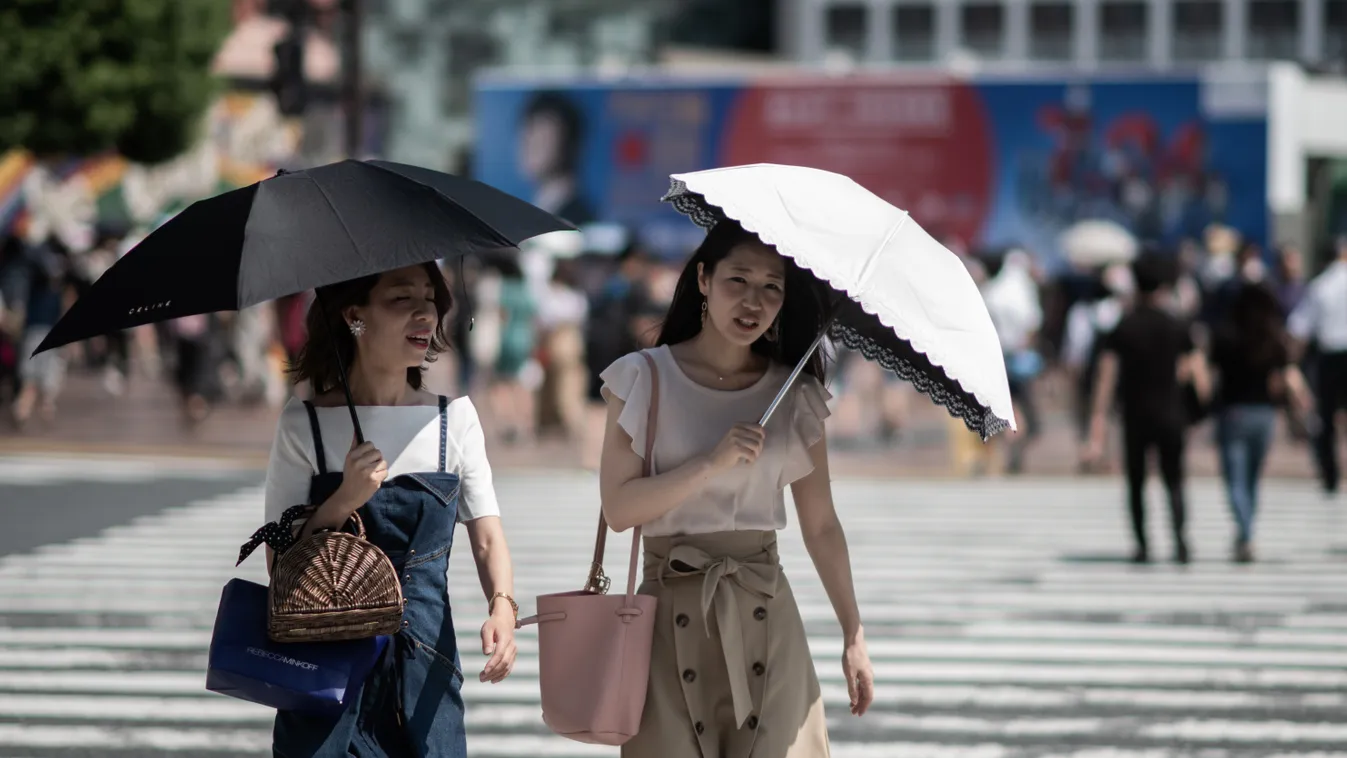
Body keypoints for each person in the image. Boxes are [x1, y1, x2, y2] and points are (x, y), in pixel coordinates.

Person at [598, 220, 874, 758]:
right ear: (703, 279)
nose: (754, 301)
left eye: (772, 287)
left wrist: (853, 634)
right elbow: (619, 508)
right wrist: (709, 463)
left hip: (767, 615)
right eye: (738, 281)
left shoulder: (795, 393)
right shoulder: (643, 378)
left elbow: (821, 524)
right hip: (666, 620)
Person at [260, 263, 517, 757]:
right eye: (402, 300)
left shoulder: (453, 420)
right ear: (355, 316)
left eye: (429, 298)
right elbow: (280, 563)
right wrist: (344, 499)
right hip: (324, 669)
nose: (425, 313)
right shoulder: (304, 424)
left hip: (426, 666)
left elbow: (487, 538)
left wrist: (502, 608)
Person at [1086, 252, 1210, 564]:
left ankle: (1142, 545)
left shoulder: (1123, 326)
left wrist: (1098, 421)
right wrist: (1201, 408)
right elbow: (1199, 374)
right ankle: (1181, 541)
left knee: (1136, 482)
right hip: (1171, 413)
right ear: (1165, 286)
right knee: (1175, 479)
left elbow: (1106, 376)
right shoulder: (1178, 326)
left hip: (1135, 415)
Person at [1208, 282, 1314, 563]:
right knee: (1252, 479)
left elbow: (1211, 375)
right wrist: (1303, 400)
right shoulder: (1273, 338)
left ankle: (1245, 531)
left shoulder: (1226, 336)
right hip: (1265, 415)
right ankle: (1246, 531)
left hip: (1233, 412)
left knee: (1235, 479)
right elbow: (1289, 374)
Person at [1288, 235, 1347, 497]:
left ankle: (1330, 474)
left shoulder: (1320, 285)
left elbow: (1299, 328)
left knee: (1326, 418)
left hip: (1330, 357)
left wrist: (1292, 363)